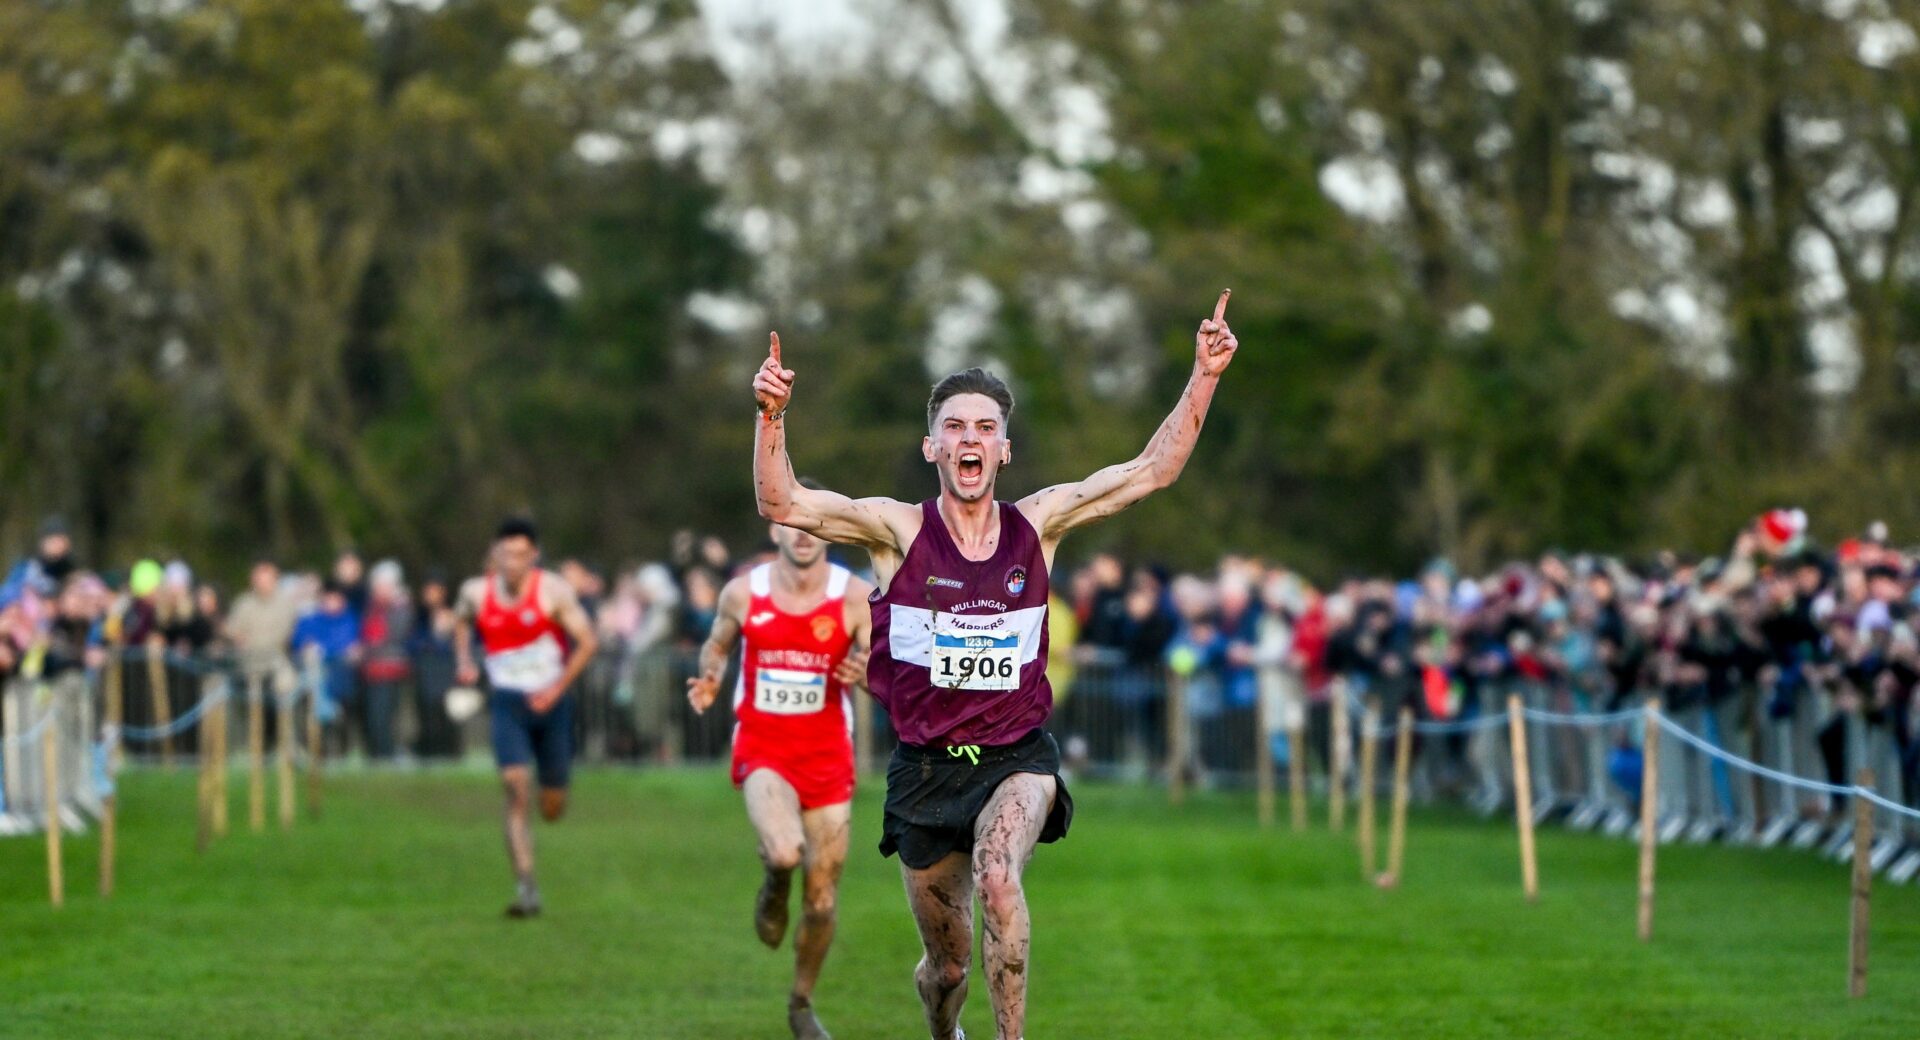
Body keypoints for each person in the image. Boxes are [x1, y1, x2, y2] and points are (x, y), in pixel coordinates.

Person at [749, 290, 1240, 1040]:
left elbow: (1151, 471)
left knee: (999, 880)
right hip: (925, 770)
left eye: (985, 428)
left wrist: (1204, 373)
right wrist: (772, 414)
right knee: (945, 971)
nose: (969, 439)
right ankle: (947, 1029)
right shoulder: (896, 532)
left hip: (1017, 755)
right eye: (954, 428)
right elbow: (781, 501)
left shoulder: (1038, 524)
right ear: (932, 447)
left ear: (1003, 449)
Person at [686, 518, 872, 1040]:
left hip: (828, 756)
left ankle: (801, 1002)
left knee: (822, 901)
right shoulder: (744, 592)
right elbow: (717, 645)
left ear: (828, 533)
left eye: (813, 524)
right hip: (764, 749)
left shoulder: (855, 596)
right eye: (792, 524)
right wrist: (710, 678)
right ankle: (773, 882)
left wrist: (864, 666)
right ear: (775, 532)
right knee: (787, 852)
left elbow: (881, 661)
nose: (803, 534)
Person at [454, 517, 598, 918]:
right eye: (506, 554)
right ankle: (527, 885)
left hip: (552, 705)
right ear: (494, 554)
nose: (513, 562)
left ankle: (550, 795)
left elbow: (588, 642)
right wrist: (465, 660)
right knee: (515, 788)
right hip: (508, 704)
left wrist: (556, 689)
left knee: (552, 807)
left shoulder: (552, 591)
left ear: (533, 556)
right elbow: (461, 621)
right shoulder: (476, 593)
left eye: (521, 554)